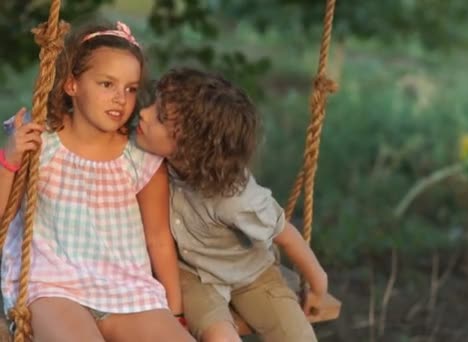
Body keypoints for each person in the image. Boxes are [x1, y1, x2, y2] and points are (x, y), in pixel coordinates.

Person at [0, 22, 193, 341]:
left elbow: (158, 238)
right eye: (107, 84)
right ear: (71, 84)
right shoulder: (41, 144)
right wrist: (9, 161)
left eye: (130, 89)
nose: (121, 99)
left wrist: (175, 312)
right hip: (54, 287)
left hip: (128, 290)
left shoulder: (139, 157)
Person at [135, 68, 328, 342]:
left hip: (252, 274)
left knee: (297, 337)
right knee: (221, 338)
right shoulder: (150, 162)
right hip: (193, 274)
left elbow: (285, 235)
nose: (144, 113)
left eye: (160, 118)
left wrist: (318, 285)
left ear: (192, 146)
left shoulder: (235, 198)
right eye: (154, 105)